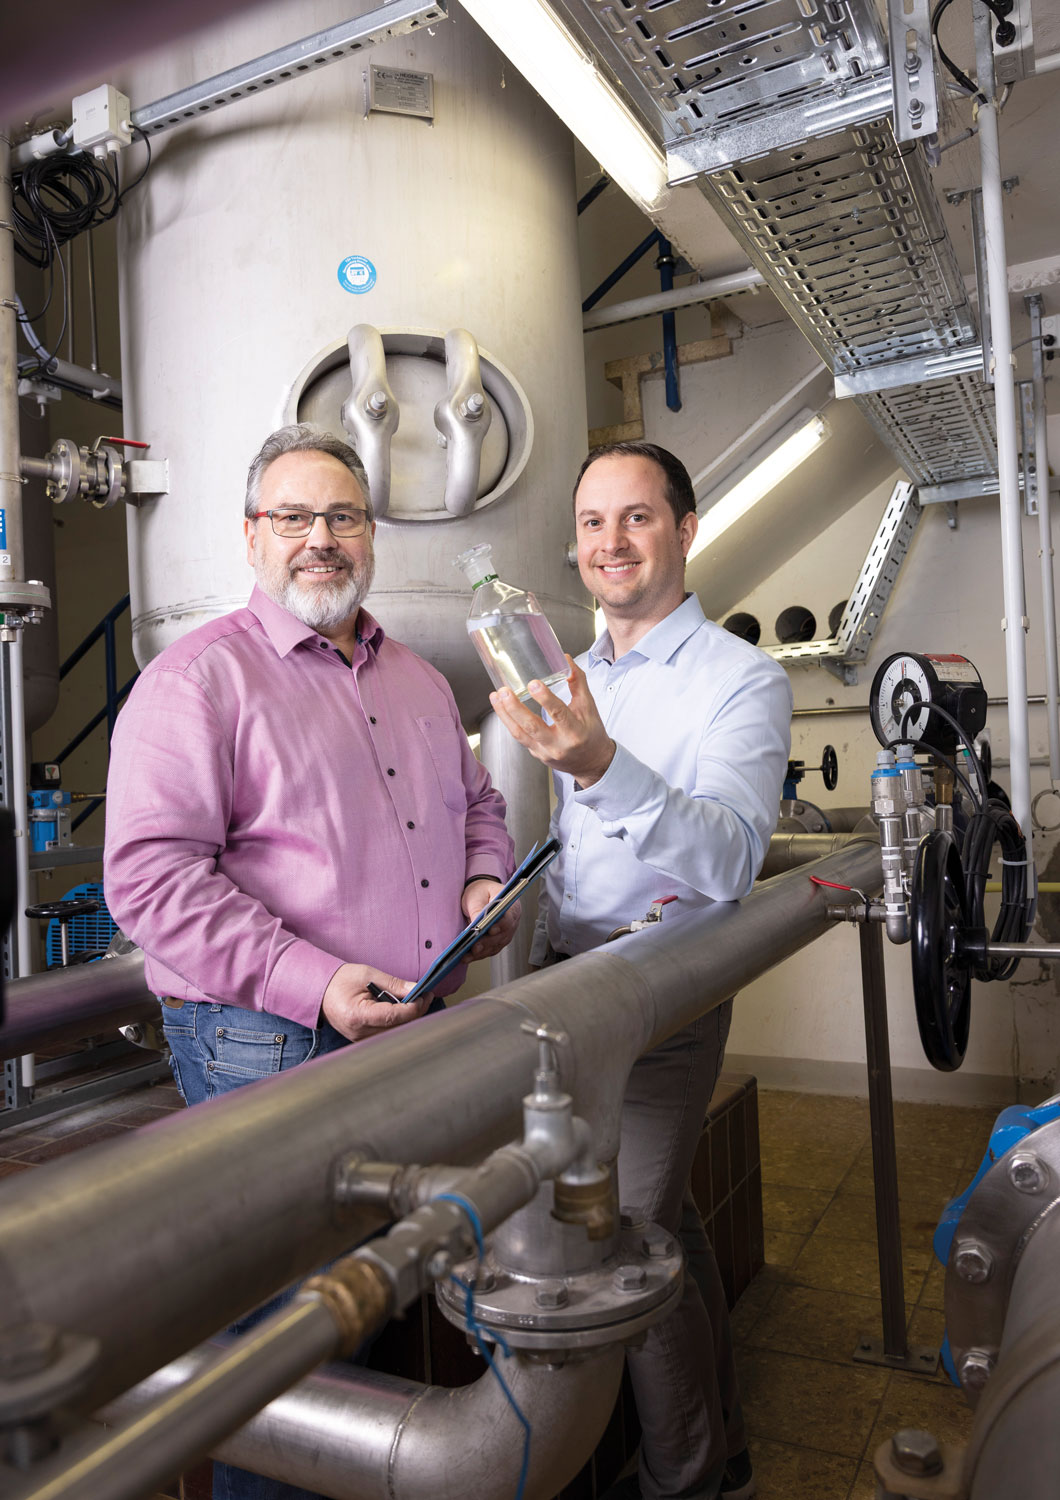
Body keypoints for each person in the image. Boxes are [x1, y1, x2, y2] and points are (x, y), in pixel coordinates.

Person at [105, 424, 518, 1499]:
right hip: (266, 1042)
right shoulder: (195, 682)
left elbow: (480, 808)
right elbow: (149, 882)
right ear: (251, 536)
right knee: (289, 1351)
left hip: (411, 1034)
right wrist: (315, 980)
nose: (320, 540)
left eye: (341, 517)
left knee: (360, 1308)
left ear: (370, 536)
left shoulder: (423, 682)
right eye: (294, 517)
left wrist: (482, 884)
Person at [488, 440, 792, 1500]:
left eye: (636, 518)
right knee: (669, 1227)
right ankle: (727, 1437)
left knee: (614, 1248)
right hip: (567, 985)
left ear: (685, 529)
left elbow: (729, 858)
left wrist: (600, 766)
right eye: (590, 523)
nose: (609, 542)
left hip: (660, 993)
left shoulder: (740, 679)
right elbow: (571, 850)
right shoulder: (578, 673)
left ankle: (687, 1481)